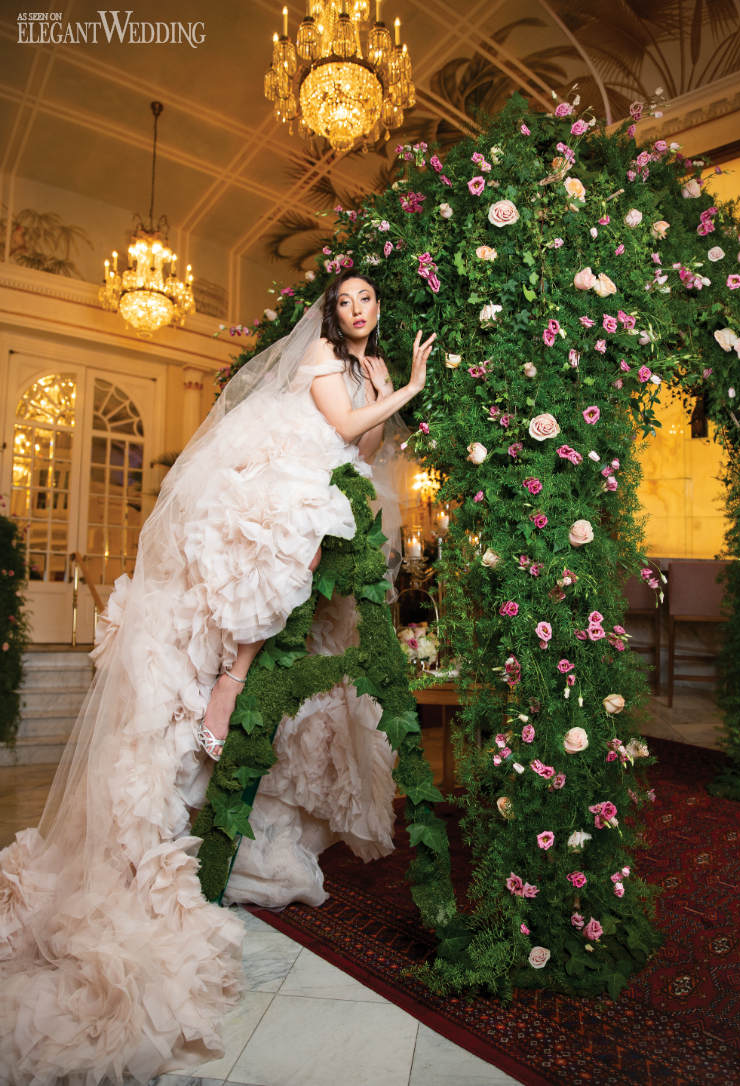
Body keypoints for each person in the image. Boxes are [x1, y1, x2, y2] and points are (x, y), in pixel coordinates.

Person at [0, 272, 435, 1085]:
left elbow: (362, 448)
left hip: (326, 476)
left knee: (317, 567)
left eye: (365, 300)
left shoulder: (368, 372)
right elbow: (336, 426)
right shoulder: (314, 354)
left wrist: (387, 390)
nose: (354, 310)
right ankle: (229, 679)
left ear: (377, 311)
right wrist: (406, 386)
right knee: (292, 544)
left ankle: (240, 746)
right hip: (278, 475)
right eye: (344, 300)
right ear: (332, 314)